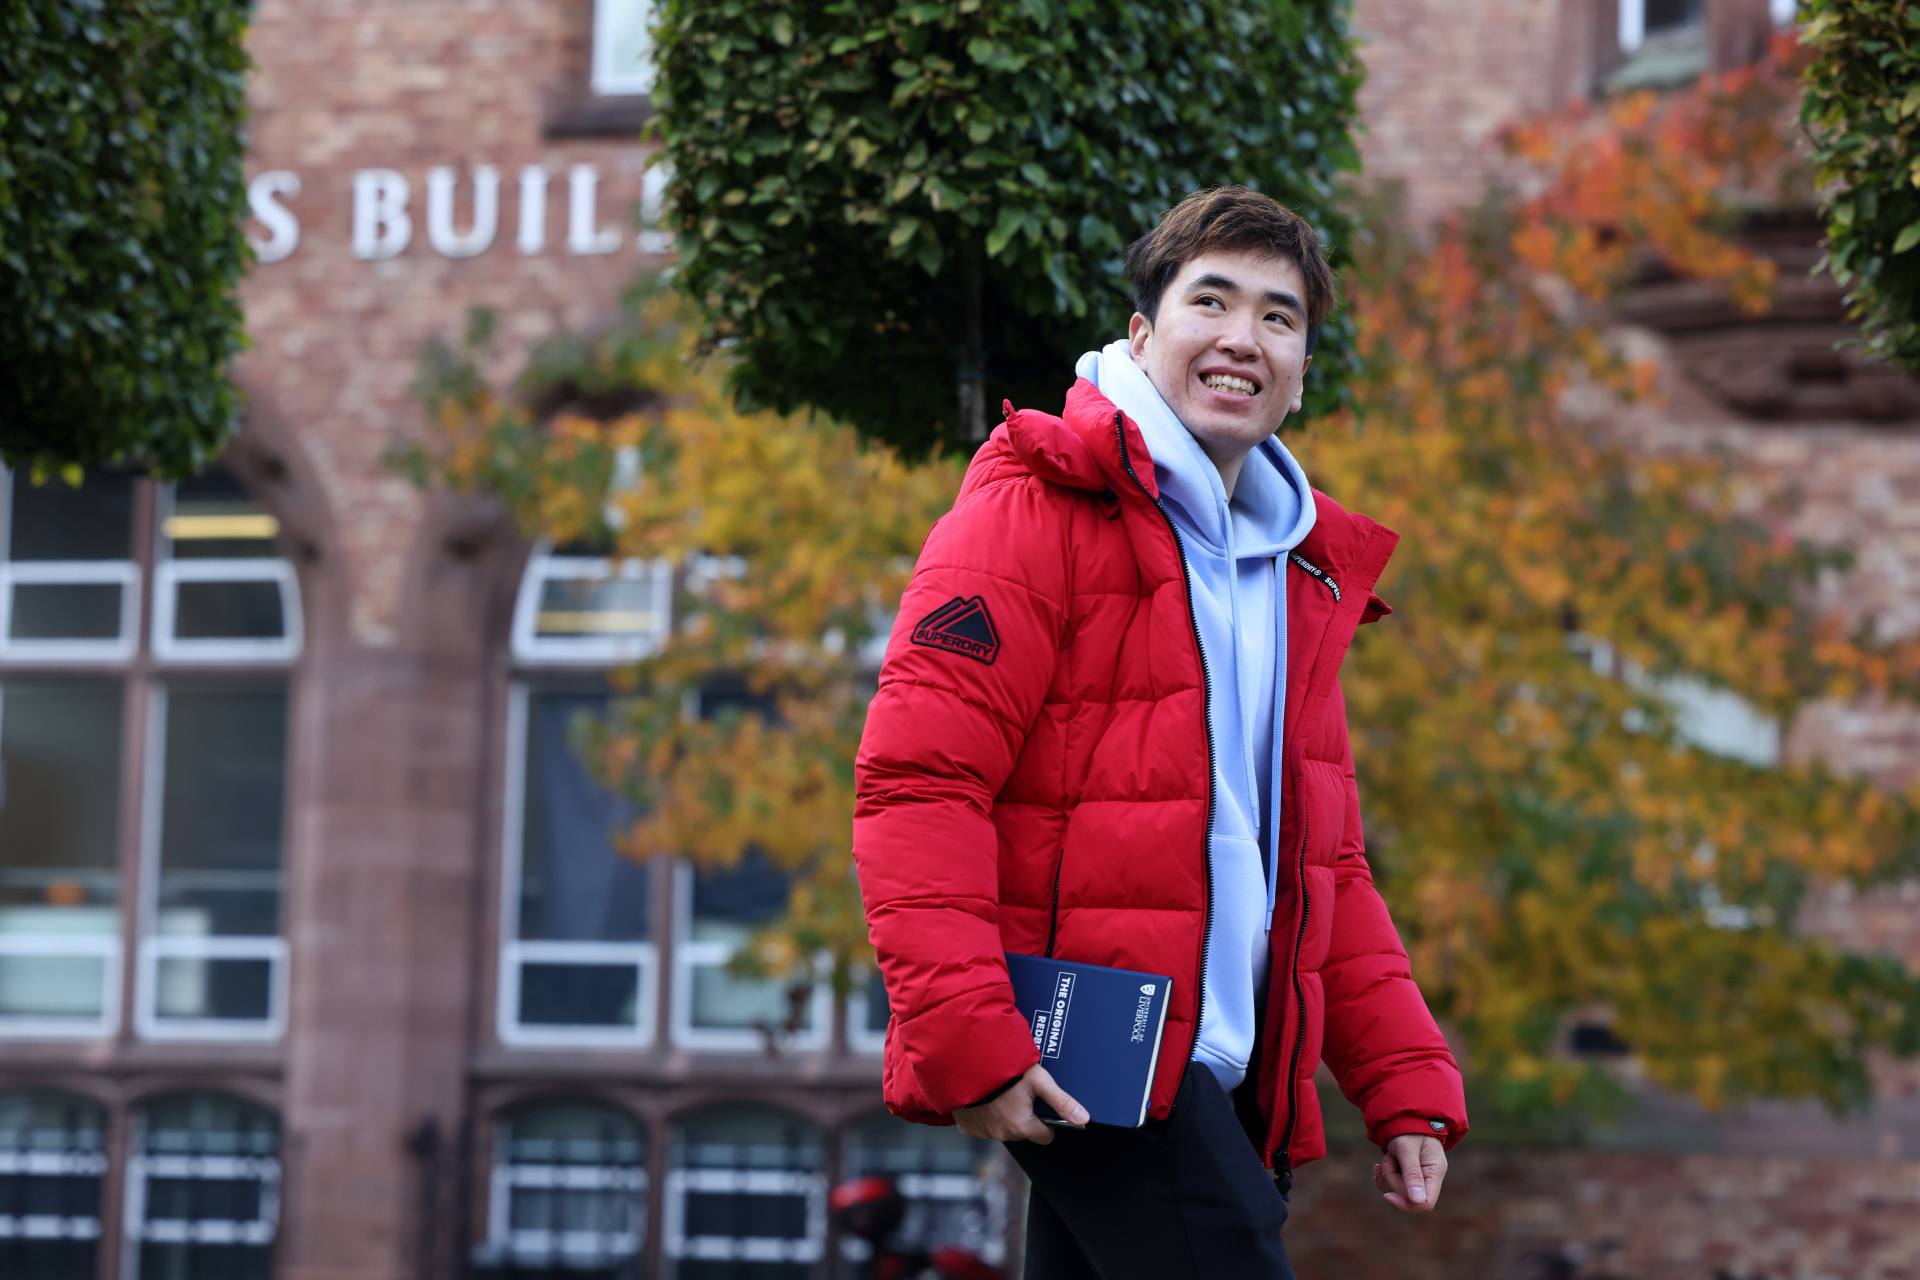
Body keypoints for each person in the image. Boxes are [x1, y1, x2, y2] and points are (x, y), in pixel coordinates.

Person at [852, 186, 1466, 1279]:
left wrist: (1403, 1078)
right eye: (1212, 300)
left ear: (1303, 366)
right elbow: (919, 786)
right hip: (1097, 1042)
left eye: (1280, 318)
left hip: (1226, 1063)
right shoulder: (1028, 510)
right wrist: (971, 1039)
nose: (1244, 338)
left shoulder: (1297, 574)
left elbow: (1327, 863)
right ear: (1142, 333)